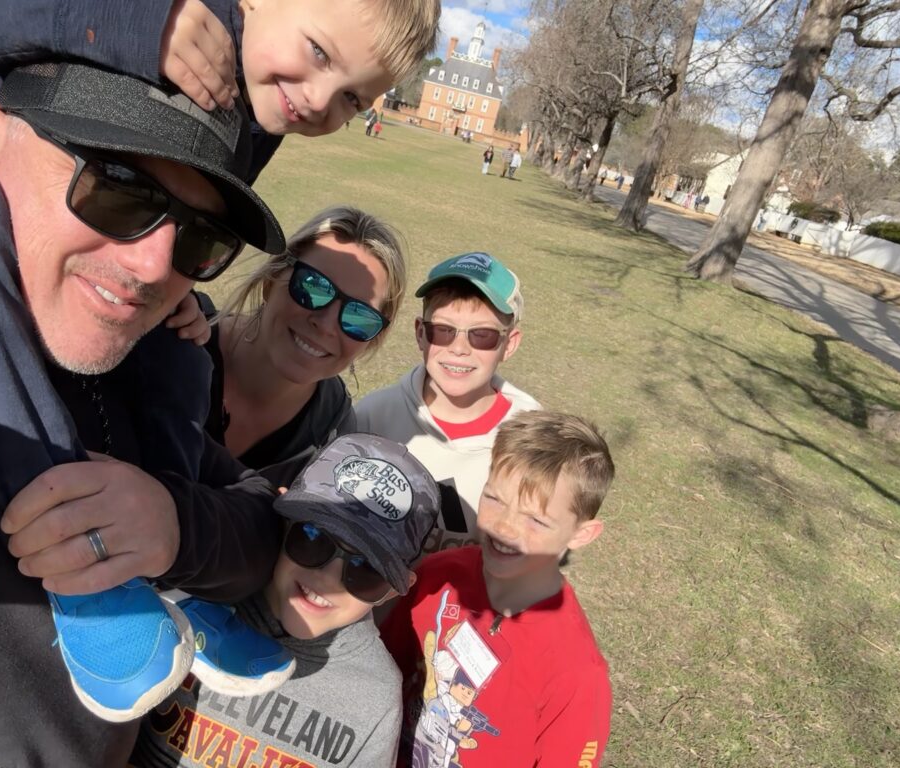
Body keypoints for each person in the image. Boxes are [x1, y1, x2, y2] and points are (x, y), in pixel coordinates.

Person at [0, 0, 439, 725]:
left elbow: (255, 527)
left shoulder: (321, 416)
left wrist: (173, 531)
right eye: (319, 54)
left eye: (354, 99)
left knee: (181, 350)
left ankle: (169, 592)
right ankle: (80, 561)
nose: (323, 100)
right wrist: (144, 26)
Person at [0, 59, 285, 766]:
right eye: (120, 188)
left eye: (199, 237)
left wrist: (171, 526)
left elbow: (260, 522)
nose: (157, 263)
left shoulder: (139, 363)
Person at [132, 433, 441, 767]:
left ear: (395, 589)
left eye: (365, 570)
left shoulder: (376, 695)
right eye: (312, 538)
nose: (327, 578)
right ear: (281, 518)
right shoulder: (193, 597)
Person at [380, 411, 615, 768]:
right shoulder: (435, 576)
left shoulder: (578, 673)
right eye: (494, 499)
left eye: (536, 519)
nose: (504, 527)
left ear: (581, 534)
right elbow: (381, 671)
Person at [202, 204, 407, 488]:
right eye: (313, 286)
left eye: (358, 316)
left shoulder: (333, 434)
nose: (325, 325)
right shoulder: (177, 338)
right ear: (271, 281)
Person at [356, 252, 540, 557]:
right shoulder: (373, 417)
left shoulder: (531, 435)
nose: (458, 349)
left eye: (482, 335)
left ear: (509, 344)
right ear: (420, 333)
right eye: (442, 330)